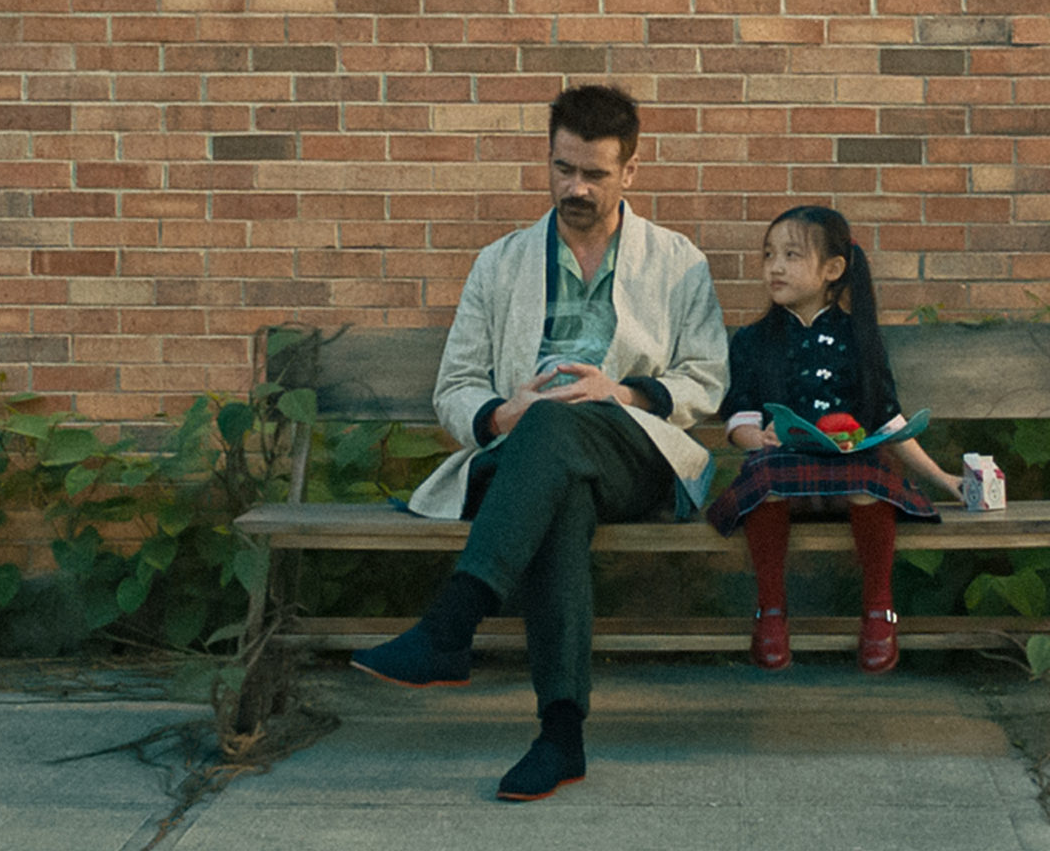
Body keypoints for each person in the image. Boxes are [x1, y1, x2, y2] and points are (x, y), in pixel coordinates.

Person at [350, 85, 728, 801]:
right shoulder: (502, 263)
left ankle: (451, 625)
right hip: (523, 459)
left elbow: (706, 379)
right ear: (548, 160)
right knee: (558, 481)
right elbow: (456, 384)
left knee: (564, 429)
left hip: (633, 455)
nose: (576, 187)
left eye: (594, 173)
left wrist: (619, 391)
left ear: (631, 171)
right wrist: (502, 413)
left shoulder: (678, 262)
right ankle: (561, 736)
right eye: (563, 169)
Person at [703, 206, 963, 675]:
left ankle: (879, 611)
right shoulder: (753, 340)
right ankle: (771, 611)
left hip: (848, 471)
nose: (774, 267)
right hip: (783, 467)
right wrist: (753, 438)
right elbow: (739, 410)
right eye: (768, 256)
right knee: (766, 476)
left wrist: (944, 478)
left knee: (870, 475)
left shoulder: (858, 337)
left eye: (790, 255)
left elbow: (886, 420)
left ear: (832, 270)